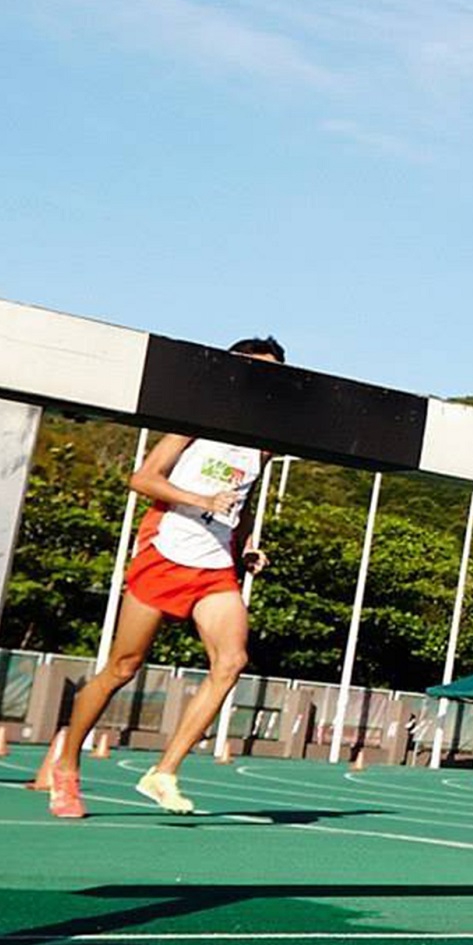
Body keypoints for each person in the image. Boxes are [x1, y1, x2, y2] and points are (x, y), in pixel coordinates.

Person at [45, 337, 285, 819]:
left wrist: (247, 546)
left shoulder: (263, 446)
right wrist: (200, 502)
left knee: (232, 661)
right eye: (254, 370)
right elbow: (143, 478)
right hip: (166, 551)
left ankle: (164, 772)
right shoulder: (194, 424)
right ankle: (66, 767)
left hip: (215, 566)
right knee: (123, 667)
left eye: (272, 374)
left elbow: (241, 503)